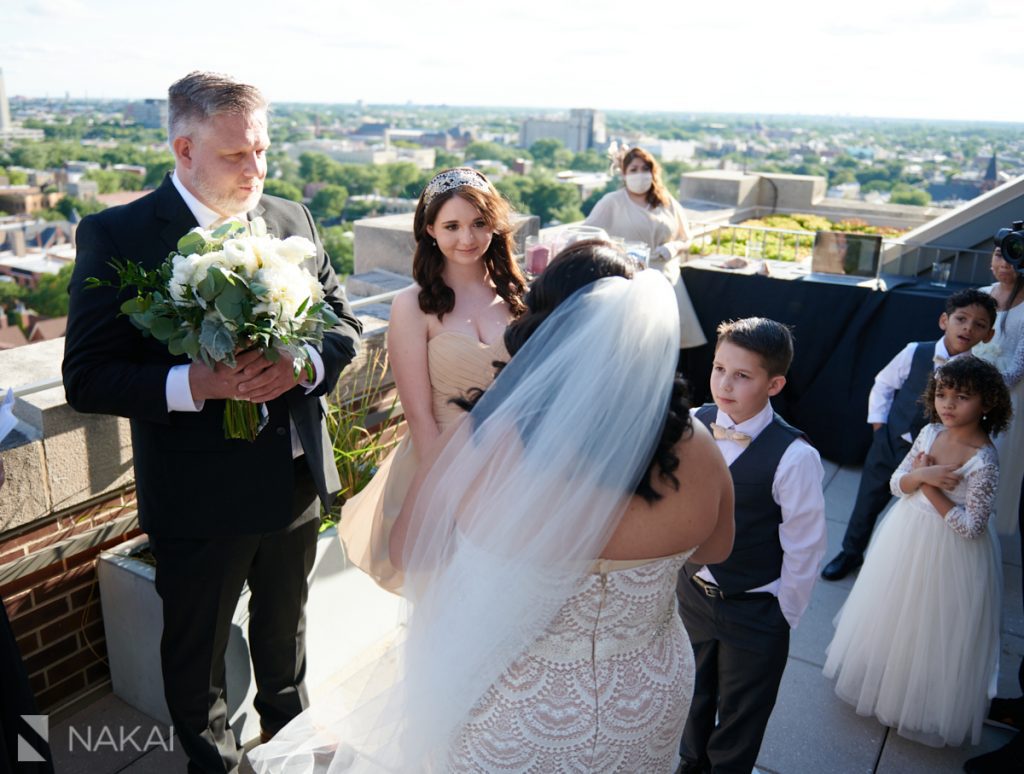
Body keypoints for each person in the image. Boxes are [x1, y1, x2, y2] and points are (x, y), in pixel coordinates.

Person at [249, 241, 735, 773]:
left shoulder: (487, 440)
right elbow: (715, 548)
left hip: (515, 705)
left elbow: (410, 552)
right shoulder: (700, 446)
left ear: (544, 325)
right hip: (646, 692)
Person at [62, 71, 361, 773]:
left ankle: (290, 751)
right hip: (198, 498)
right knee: (197, 661)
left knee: (286, 641)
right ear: (184, 148)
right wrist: (196, 382)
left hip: (292, 481)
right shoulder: (120, 234)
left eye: (262, 150)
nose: (257, 169)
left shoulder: (293, 218)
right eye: (237, 155)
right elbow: (86, 376)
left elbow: (344, 325)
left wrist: (303, 365)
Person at [338, 167, 526, 592]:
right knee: (452, 594)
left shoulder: (517, 296)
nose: (468, 238)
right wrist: (455, 496)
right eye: (452, 226)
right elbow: (418, 415)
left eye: (479, 224)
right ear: (429, 229)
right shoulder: (412, 305)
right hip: (441, 462)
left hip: (514, 465)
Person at [824, 356, 1010, 747]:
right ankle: (885, 680)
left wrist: (929, 489)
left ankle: (921, 697)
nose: (948, 404)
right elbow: (896, 483)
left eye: (962, 397)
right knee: (895, 610)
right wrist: (921, 476)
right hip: (907, 535)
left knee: (933, 622)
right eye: (942, 394)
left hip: (952, 553)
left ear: (987, 403)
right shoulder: (928, 434)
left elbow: (971, 526)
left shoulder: (985, 459)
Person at [678, 317, 827, 774]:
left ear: (775, 383)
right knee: (692, 694)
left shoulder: (795, 456)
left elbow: (805, 545)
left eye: (742, 375)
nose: (725, 383)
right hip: (693, 595)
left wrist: (784, 611)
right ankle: (689, 763)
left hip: (756, 606)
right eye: (719, 368)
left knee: (742, 714)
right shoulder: (692, 423)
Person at [821, 289, 997, 580]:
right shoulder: (916, 350)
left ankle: (905, 571)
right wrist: (880, 427)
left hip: (937, 457)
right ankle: (850, 552)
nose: (968, 328)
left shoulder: (978, 373)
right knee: (867, 502)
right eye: (961, 319)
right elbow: (883, 384)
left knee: (919, 514)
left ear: (988, 335)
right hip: (892, 443)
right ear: (944, 320)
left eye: (979, 324)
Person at [964, 246, 1024, 772]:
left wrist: (974, 390)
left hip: (1000, 402)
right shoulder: (991, 298)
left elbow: (1013, 361)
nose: (1000, 260)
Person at [585, 145, 707, 351]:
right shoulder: (612, 202)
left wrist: (673, 247)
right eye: (633, 169)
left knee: (664, 342)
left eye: (644, 168)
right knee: (636, 341)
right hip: (630, 281)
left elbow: (686, 237)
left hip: (667, 279)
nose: (640, 174)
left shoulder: (666, 202)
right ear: (623, 174)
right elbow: (588, 233)